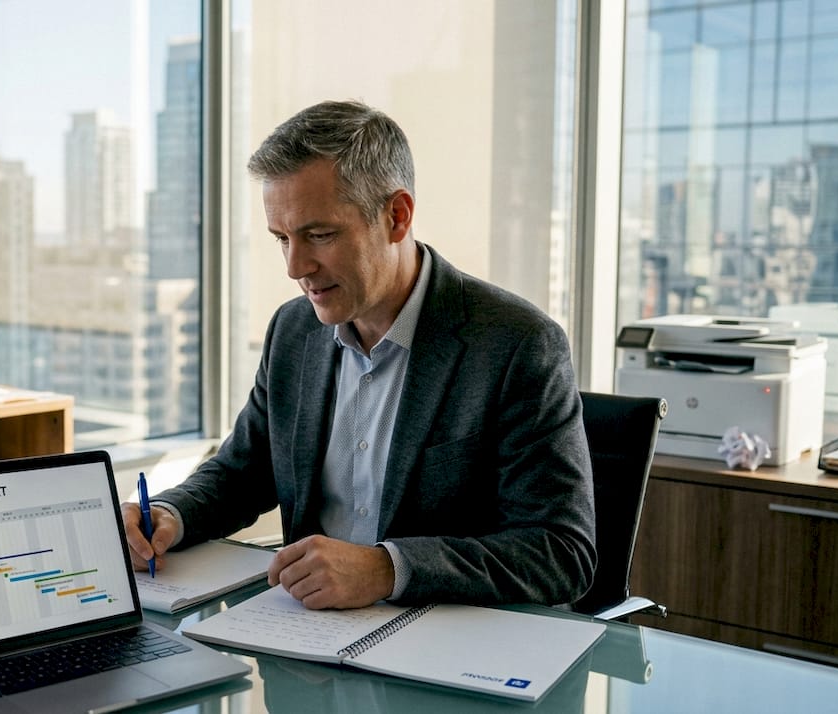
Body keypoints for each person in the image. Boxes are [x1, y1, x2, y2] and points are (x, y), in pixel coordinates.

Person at [122, 100, 596, 610]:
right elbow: (245, 471)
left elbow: (560, 552)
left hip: (445, 649)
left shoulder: (516, 344)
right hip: (307, 637)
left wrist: (387, 569)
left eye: (319, 235)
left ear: (396, 216)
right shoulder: (293, 330)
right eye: (281, 239)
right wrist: (173, 512)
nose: (295, 266)